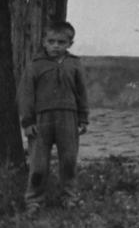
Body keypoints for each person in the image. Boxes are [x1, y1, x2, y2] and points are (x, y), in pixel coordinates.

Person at [18, 21, 90, 212]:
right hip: (41, 121)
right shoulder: (35, 66)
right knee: (38, 165)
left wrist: (83, 118)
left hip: (68, 118)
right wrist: (27, 121)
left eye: (61, 42)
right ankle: (34, 201)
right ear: (44, 42)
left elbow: (82, 92)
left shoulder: (74, 64)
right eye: (51, 41)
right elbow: (26, 95)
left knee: (68, 161)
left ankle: (70, 197)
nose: (56, 46)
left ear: (70, 44)